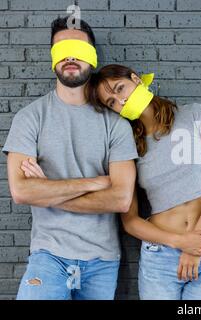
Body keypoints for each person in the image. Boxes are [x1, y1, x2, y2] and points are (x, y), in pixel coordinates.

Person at [2, 17, 139, 300]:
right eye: (62, 49)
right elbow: (21, 191)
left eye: (79, 48)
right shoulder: (30, 118)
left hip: (102, 261)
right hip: (49, 256)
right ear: (52, 58)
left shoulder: (116, 125)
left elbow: (121, 199)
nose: (71, 56)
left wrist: (48, 190)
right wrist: (97, 182)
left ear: (93, 56)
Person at [88, 64, 201, 299]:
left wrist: (195, 245)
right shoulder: (128, 145)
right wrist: (181, 241)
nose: (120, 101)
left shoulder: (196, 115)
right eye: (111, 102)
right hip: (160, 257)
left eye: (120, 89)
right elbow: (130, 221)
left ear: (136, 79)